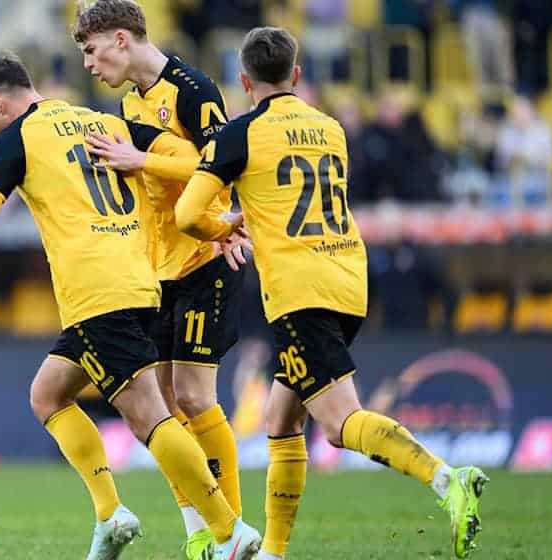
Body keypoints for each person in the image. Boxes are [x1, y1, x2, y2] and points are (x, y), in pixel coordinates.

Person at [175, 27, 488, 560]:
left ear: (243, 79)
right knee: (281, 420)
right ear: (296, 76)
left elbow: (187, 215)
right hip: (348, 278)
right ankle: (272, 553)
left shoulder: (239, 134)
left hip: (299, 291)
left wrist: (222, 228)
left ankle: (445, 478)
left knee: (341, 423)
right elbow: (285, 195)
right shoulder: (332, 128)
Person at [0, 52, 261, 560]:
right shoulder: (104, 121)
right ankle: (110, 516)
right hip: (140, 283)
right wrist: (209, 207)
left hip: (96, 294)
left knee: (150, 417)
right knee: (48, 394)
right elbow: (198, 157)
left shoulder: (15, 139)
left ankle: (228, 531)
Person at [72, 3, 247, 554]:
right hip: (158, 269)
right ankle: (200, 533)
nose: (88, 64)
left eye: (91, 50)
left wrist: (141, 160)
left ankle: (231, 529)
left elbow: (220, 168)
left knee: (195, 397)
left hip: (203, 260)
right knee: (168, 406)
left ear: (121, 39)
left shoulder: (193, 89)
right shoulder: (129, 100)